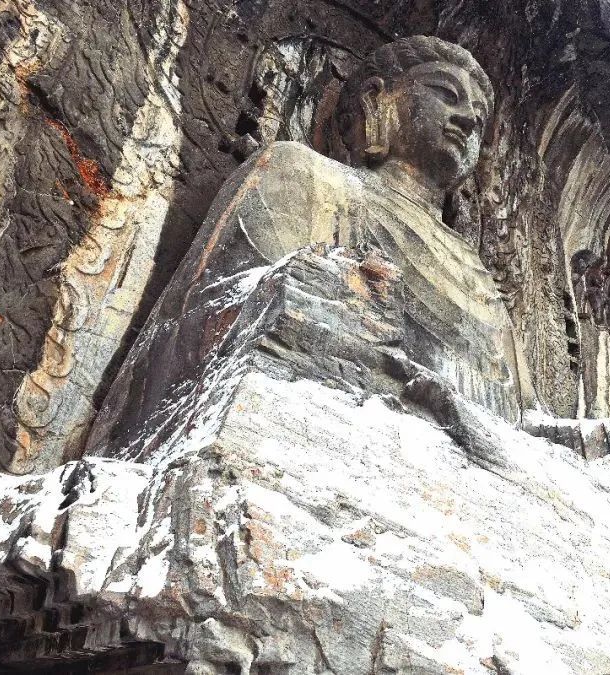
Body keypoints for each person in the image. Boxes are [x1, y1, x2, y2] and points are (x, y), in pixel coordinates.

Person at [89, 36, 536, 458]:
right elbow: (212, 312)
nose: (468, 119)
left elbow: (526, 422)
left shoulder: (481, 283)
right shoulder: (305, 176)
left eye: (479, 116)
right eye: (446, 94)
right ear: (377, 99)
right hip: (311, 429)